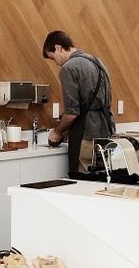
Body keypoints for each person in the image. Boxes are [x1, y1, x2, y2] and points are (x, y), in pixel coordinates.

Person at [42, 30, 116, 175]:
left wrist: (57, 132)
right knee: (102, 183)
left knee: (83, 185)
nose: (56, 62)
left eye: (53, 58)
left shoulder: (69, 68)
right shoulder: (97, 61)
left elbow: (72, 113)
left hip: (86, 134)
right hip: (106, 131)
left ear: (58, 48)